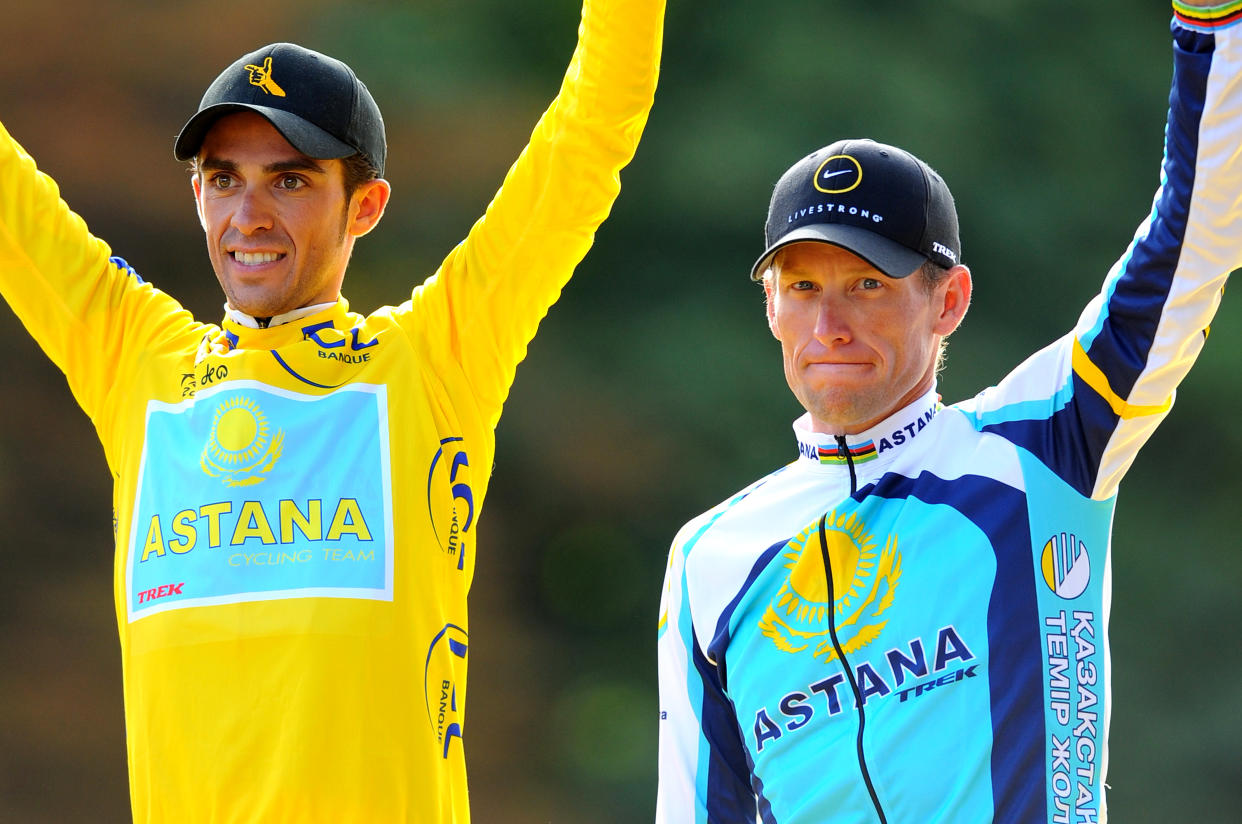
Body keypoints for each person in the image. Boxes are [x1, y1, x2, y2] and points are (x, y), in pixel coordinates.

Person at [0, 1, 661, 821]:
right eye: (221, 179)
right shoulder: (139, 361)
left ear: (366, 206)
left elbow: (590, 134)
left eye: (290, 179)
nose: (248, 217)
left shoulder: (430, 360)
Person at [655, 3, 1237, 822]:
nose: (830, 325)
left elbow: (1198, 233)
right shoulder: (708, 556)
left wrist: (1210, 25)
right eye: (803, 287)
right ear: (771, 307)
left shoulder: (1045, 441)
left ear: (949, 300)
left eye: (868, 285)